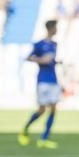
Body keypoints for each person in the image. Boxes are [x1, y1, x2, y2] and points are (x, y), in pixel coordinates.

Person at [18, 20, 61, 149]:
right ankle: (25, 129)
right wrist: (41, 60)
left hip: (53, 80)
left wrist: (56, 62)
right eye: (55, 27)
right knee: (41, 110)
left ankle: (44, 138)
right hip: (42, 80)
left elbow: (51, 61)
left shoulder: (54, 44)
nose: (57, 29)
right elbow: (28, 57)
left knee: (53, 108)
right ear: (50, 28)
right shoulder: (39, 44)